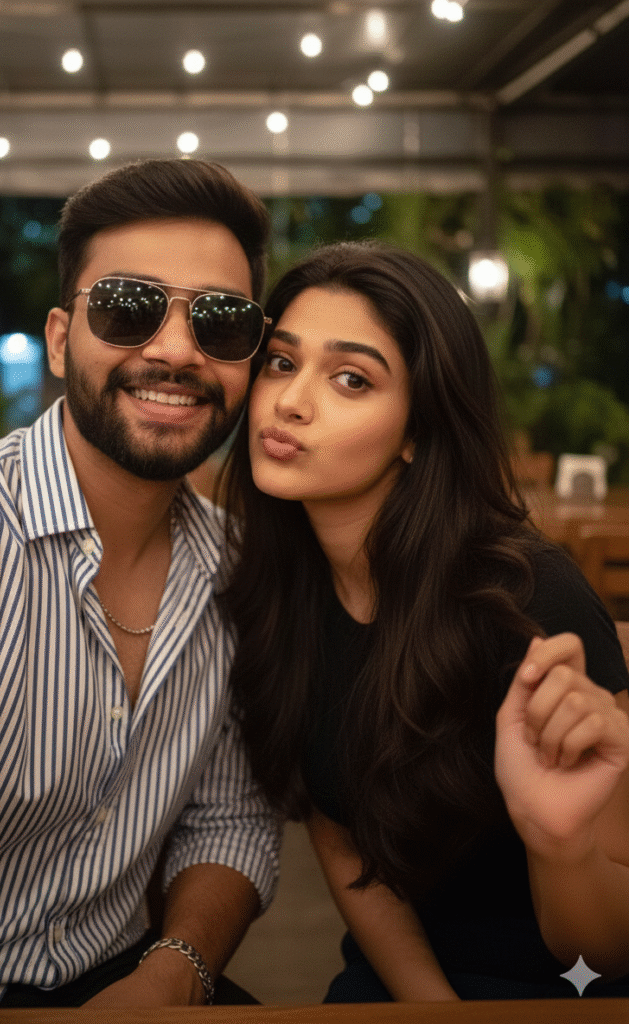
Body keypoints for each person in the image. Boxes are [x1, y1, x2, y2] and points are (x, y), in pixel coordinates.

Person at [0, 158, 280, 1010]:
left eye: (221, 322)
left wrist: (173, 973)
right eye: (129, 308)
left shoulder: (238, 574)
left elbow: (232, 821)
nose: (175, 351)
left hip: (129, 975)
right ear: (61, 341)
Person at [220, 240, 629, 1002]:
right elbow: (341, 838)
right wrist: (432, 1008)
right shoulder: (271, 593)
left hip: (564, 989)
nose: (290, 401)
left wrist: (559, 843)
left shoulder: (526, 598)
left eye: (350, 378)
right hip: (403, 981)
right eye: (280, 361)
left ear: (416, 430)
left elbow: (605, 951)